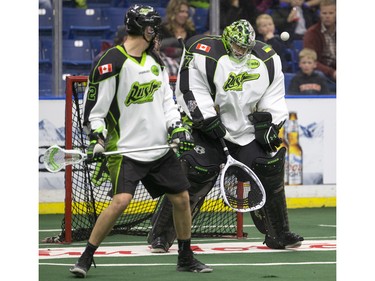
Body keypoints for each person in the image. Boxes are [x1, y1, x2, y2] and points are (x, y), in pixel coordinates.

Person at [69, 5, 213, 277]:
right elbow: (95, 112)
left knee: (182, 199)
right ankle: (86, 257)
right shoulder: (112, 61)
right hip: (126, 150)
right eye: (153, 27)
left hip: (158, 148)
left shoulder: (155, 61)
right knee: (121, 200)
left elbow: (167, 102)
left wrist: (176, 127)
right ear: (144, 28)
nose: (156, 32)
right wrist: (97, 138)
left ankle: (185, 256)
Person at [148, 19, 304, 253]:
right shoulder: (203, 53)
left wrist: (270, 122)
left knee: (269, 170)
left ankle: (279, 234)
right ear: (226, 39)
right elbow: (190, 88)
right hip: (208, 130)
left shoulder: (268, 58)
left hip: (246, 131)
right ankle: (161, 236)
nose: (241, 51)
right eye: (237, 45)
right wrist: (206, 118)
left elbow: (274, 95)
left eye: (246, 47)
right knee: (193, 176)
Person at [303, 0, 336, 82]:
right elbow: (309, 59)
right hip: (321, 72)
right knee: (319, 75)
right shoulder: (311, 33)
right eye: (324, 13)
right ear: (319, 14)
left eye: (331, 13)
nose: (327, 16)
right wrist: (332, 72)